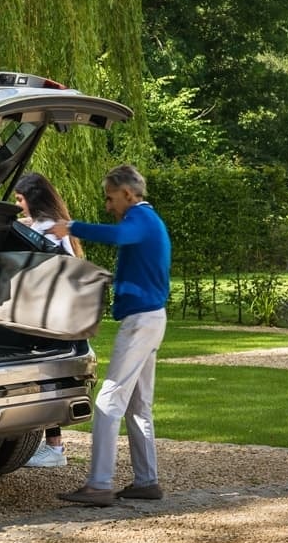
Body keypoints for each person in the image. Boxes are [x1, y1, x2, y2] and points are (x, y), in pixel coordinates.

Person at [45, 164, 171, 507]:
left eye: (110, 197)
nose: (108, 205)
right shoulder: (149, 221)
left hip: (141, 322)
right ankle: (147, 481)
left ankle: (99, 484)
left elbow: (117, 236)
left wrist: (70, 228)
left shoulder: (140, 221)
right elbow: (140, 267)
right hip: (151, 318)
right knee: (138, 405)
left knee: (107, 401)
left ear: (128, 194)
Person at [12, 171, 82, 469]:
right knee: (49, 373)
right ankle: (53, 446)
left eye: (20, 199)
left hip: (49, 313)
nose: (19, 205)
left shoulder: (46, 230)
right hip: (63, 310)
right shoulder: (55, 226)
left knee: (42, 375)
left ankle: (53, 448)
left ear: (33, 199)